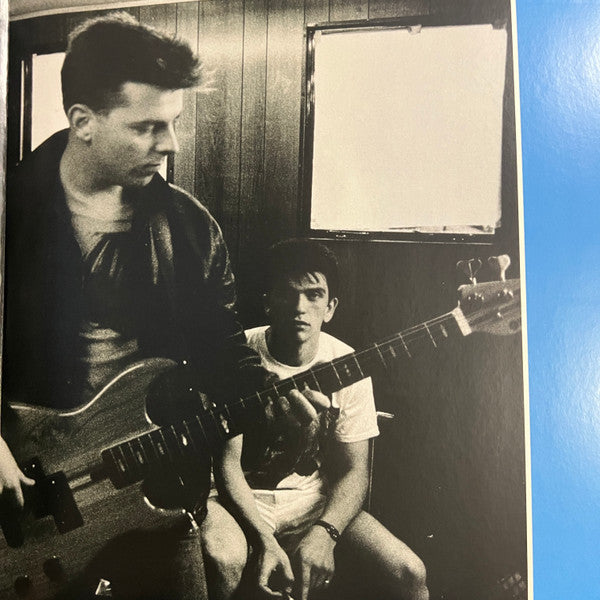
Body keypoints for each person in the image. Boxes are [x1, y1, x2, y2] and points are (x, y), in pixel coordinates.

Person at [0, 14, 326, 600]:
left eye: (172, 123)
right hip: (28, 501)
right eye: (148, 126)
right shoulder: (9, 213)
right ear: (83, 122)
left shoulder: (190, 228)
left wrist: (270, 398)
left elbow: (221, 347)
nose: (170, 144)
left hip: (159, 491)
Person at [201, 239, 429, 600]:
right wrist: (264, 540)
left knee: (409, 572)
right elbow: (227, 467)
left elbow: (355, 470)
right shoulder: (238, 356)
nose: (299, 308)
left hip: (309, 502)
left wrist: (325, 533)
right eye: (287, 294)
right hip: (238, 500)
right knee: (222, 559)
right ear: (268, 301)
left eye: (313, 295)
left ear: (330, 307)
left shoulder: (347, 362)